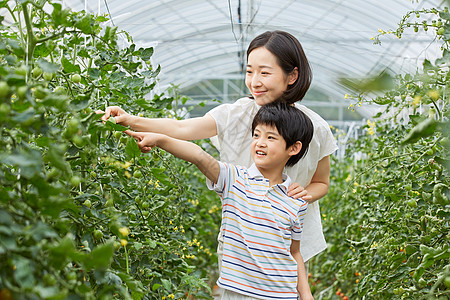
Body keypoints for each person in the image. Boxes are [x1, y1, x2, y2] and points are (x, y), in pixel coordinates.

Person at [98, 30, 338, 274]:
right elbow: (182, 127)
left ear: (292, 75)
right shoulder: (237, 114)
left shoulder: (315, 128)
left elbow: (321, 182)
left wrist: (303, 194)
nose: (254, 81)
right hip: (240, 243)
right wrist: (131, 120)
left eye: (265, 72)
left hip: (287, 245)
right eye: (249, 71)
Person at [127, 102, 315, 300]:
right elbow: (199, 156)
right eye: (256, 135)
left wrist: (306, 294)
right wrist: (161, 139)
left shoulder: (296, 200)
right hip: (238, 294)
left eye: (270, 137)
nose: (260, 142)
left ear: (294, 148)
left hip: (283, 294)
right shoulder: (235, 179)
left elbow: (294, 252)